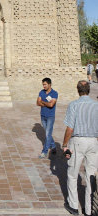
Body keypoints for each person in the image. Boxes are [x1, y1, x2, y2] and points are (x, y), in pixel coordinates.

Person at [62, 80, 98, 216]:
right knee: (91, 176)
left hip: (78, 141)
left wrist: (65, 145)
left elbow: (70, 128)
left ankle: (73, 206)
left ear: (78, 90)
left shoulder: (74, 105)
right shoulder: (96, 105)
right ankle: (89, 210)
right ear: (88, 90)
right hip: (93, 141)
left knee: (72, 174)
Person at [36, 77, 58, 159]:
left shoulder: (54, 93)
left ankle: (44, 152)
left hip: (50, 117)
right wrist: (46, 103)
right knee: (47, 133)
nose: (44, 86)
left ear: (49, 84)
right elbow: (37, 103)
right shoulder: (41, 92)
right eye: (43, 84)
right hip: (43, 115)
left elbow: (51, 105)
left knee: (47, 134)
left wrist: (42, 102)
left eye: (45, 84)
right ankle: (53, 146)